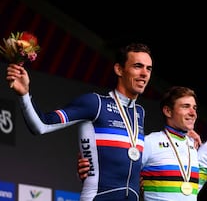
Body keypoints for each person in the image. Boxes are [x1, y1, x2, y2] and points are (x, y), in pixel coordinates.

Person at [7, 43, 153, 201]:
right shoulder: (95, 103)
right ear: (119, 69)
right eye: (138, 66)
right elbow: (41, 125)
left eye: (148, 68)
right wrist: (24, 94)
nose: (144, 73)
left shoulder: (139, 112)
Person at [79, 86, 200, 201]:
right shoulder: (151, 142)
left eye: (194, 108)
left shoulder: (193, 145)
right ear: (168, 111)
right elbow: (118, 171)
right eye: (185, 106)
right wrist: (92, 167)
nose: (192, 112)